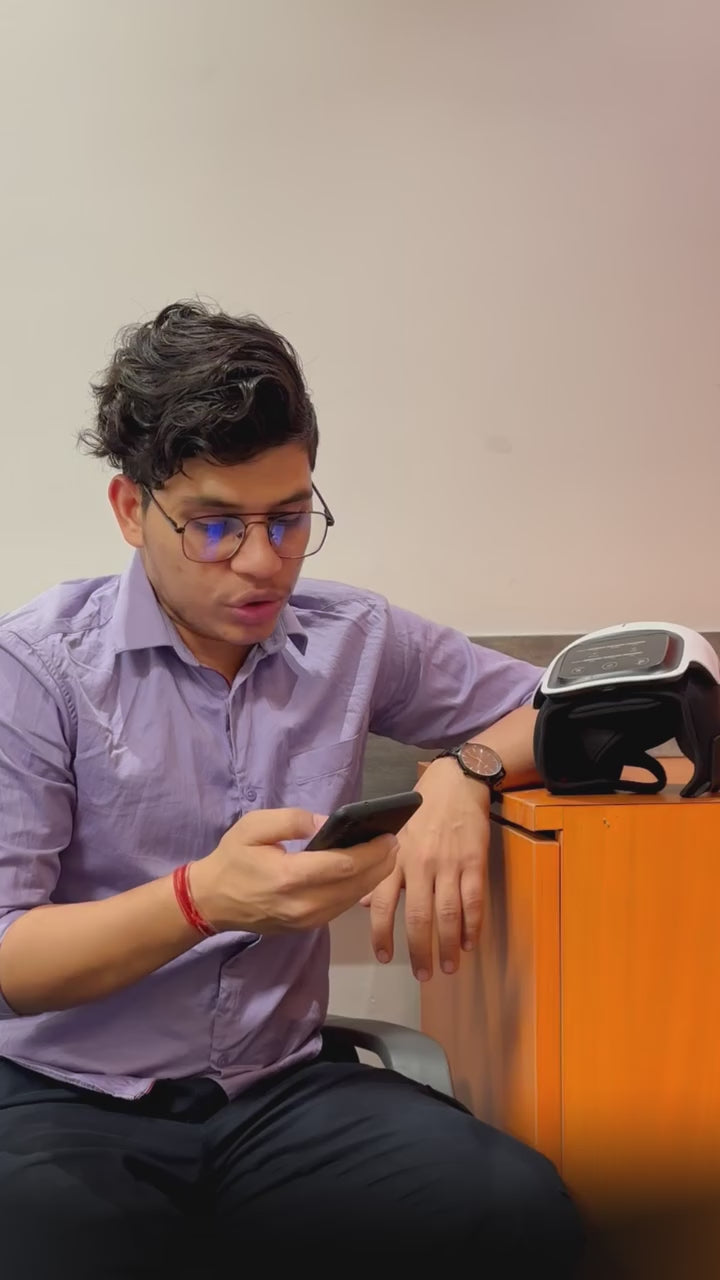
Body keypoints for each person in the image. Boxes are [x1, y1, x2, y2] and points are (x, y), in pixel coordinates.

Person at [0, 301, 583, 1276]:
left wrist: (464, 773)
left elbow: (580, 703)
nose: (263, 562)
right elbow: (9, 959)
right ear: (131, 510)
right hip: (62, 1098)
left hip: (280, 1096)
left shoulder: (355, 637)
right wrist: (200, 900)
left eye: (289, 517)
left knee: (516, 1212)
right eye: (215, 526)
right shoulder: (36, 668)